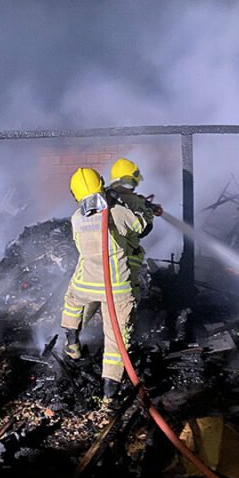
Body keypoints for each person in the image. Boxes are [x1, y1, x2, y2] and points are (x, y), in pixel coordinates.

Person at [60, 167, 147, 399]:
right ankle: (108, 398)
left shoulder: (76, 218)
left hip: (85, 282)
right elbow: (142, 228)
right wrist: (135, 207)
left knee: (71, 300)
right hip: (116, 287)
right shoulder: (117, 212)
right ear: (101, 184)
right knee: (116, 338)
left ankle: (72, 344)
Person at [107, 157, 161, 298]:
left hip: (106, 256)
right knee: (129, 296)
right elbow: (144, 230)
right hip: (127, 256)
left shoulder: (106, 196)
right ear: (130, 180)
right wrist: (148, 212)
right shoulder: (135, 201)